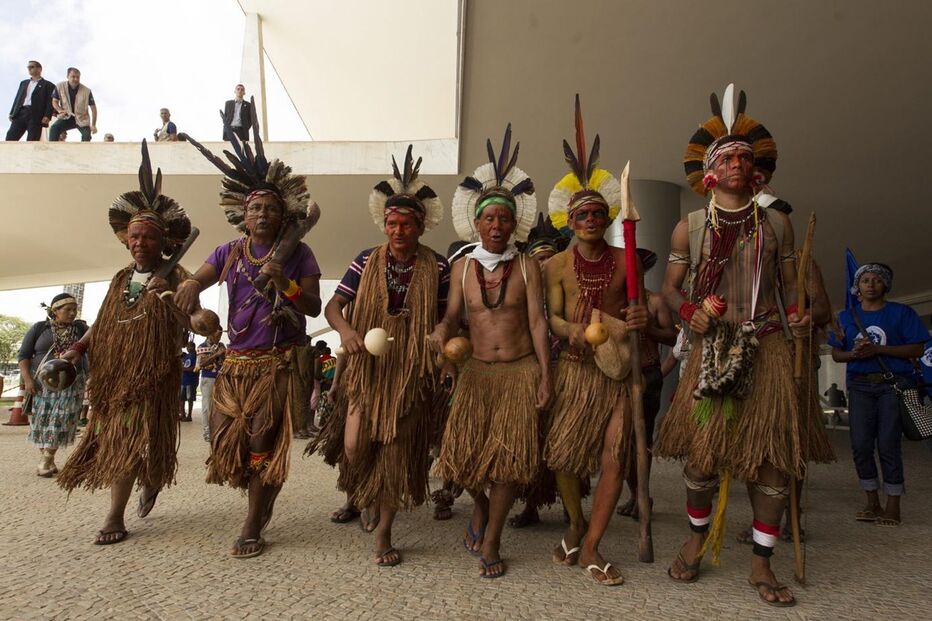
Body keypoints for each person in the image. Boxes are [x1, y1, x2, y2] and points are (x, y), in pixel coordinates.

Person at [655, 84, 809, 607]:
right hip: (710, 352)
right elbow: (669, 291)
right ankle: (696, 540)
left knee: (771, 462)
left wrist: (800, 315)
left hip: (766, 349)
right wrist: (689, 311)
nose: (739, 164)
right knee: (702, 459)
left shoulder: (778, 225)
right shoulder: (690, 228)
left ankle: (762, 565)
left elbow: (792, 292)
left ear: (758, 170)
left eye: (746, 157)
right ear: (711, 173)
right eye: (729, 158)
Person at [174, 116, 322, 559]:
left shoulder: (300, 252)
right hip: (235, 362)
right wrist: (192, 297)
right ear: (243, 213)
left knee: (260, 440)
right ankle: (264, 496)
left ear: (284, 215)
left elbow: (312, 307)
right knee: (224, 442)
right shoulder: (228, 252)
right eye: (256, 208)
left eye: (271, 209)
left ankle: (254, 519)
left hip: (276, 362)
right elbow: (194, 283)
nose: (262, 215)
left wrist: (286, 285)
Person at [309, 145, 449, 567]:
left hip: (409, 372)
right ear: (383, 224)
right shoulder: (365, 260)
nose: (399, 230)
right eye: (392, 223)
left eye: (407, 224)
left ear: (421, 227)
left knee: (395, 451)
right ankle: (361, 490)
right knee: (354, 444)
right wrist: (348, 331)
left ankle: (384, 533)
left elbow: (447, 318)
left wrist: (442, 345)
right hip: (367, 370)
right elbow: (332, 307)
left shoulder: (438, 267)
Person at [430, 124, 553, 579]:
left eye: (504, 218)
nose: (497, 226)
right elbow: (452, 318)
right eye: (489, 219)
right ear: (477, 223)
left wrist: (546, 375)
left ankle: (494, 538)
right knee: (462, 459)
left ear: (512, 222)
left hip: (518, 371)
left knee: (505, 462)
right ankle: (477, 507)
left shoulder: (527, 265)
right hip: (476, 373)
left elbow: (538, 322)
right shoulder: (462, 267)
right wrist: (441, 337)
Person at [57, 140, 192, 545]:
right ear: (125, 239)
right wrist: (78, 349)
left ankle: (129, 500)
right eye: (134, 237)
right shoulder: (119, 279)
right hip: (114, 376)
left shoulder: (178, 274)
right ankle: (123, 505)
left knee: (140, 437)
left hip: (154, 373)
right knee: (124, 439)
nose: (139, 243)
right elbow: (102, 324)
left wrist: (168, 295)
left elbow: (189, 320)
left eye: (148, 238)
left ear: (163, 242)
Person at [543, 97, 647, 586]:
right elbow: (551, 318)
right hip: (576, 370)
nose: (589, 219)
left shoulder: (628, 261)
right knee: (564, 455)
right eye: (581, 213)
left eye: (598, 213)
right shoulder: (555, 266)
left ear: (608, 218)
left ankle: (591, 546)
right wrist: (573, 330)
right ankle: (575, 521)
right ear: (569, 219)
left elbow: (642, 314)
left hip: (618, 373)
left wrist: (634, 316)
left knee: (615, 456)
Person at [829, 263, 927, 527]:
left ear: (885, 286)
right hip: (860, 386)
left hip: (891, 384)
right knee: (860, 444)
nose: (870, 284)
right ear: (857, 287)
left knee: (888, 443)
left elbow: (916, 348)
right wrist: (855, 354)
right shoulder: (846, 317)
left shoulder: (901, 313)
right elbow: (837, 354)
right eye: (865, 280)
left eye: (876, 280)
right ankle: (871, 500)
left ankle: (893, 504)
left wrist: (879, 351)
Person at [507, 213, 570, 529]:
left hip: (567, 375)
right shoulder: (520, 295)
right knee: (531, 443)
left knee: (566, 442)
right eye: (538, 259)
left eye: (549, 258)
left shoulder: (569, 291)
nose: (544, 264)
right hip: (530, 375)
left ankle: (572, 506)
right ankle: (530, 504)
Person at [616, 250, 677, 519]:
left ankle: (641, 495)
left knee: (643, 439)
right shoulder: (615, 301)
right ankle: (635, 493)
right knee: (623, 440)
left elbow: (672, 338)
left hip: (648, 373)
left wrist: (647, 327)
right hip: (621, 376)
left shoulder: (655, 301)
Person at [18, 294, 88, 476]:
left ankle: (46, 459)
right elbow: (24, 355)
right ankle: (47, 459)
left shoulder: (81, 329)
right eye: (68, 309)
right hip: (42, 383)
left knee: (61, 420)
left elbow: (94, 352)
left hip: (71, 383)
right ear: (55, 311)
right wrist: (27, 380)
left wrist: (92, 377)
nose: (73, 313)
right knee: (41, 421)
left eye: (75, 309)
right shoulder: (39, 328)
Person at [7, 60, 55, 141]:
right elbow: (17, 99)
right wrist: (12, 112)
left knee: (33, 141)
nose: (29, 69)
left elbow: (50, 102)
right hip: (20, 113)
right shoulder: (23, 83)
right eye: (28, 67)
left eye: (32, 67)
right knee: (10, 138)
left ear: (39, 69)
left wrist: (47, 115)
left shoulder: (49, 85)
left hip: (36, 115)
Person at [48, 68, 97, 142]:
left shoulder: (87, 91)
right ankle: (51, 150)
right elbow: (54, 101)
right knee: (54, 128)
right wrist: (60, 110)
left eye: (78, 77)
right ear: (67, 76)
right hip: (67, 117)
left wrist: (93, 125)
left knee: (86, 136)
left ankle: (85, 152)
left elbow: (94, 109)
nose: (76, 79)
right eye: (73, 76)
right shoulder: (59, 86)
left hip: (82, 118)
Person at [196, 331, 225, 442]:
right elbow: (201, 363)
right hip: (208, 379)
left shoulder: (221, 345)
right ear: (209, 334)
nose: (219, 337)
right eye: (217, 335)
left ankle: (217, 430)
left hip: (220, 378)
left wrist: (222, 354)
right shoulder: (202, 346)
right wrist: (217, 354)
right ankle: (207, 432)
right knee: (207, 406)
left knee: (219, 406)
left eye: (220, 335)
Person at [179, 341, 198, 421]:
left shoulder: (195, 356)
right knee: (181, 398)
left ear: (193, 347)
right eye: (187, 346)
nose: (188, 348)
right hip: (183, 381)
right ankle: (182, 414)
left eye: (190, 346)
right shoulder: (186, 356)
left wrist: (184, 369)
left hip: (191, 381)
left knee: (190, 399)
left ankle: (189, 415)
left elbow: (195, 367)